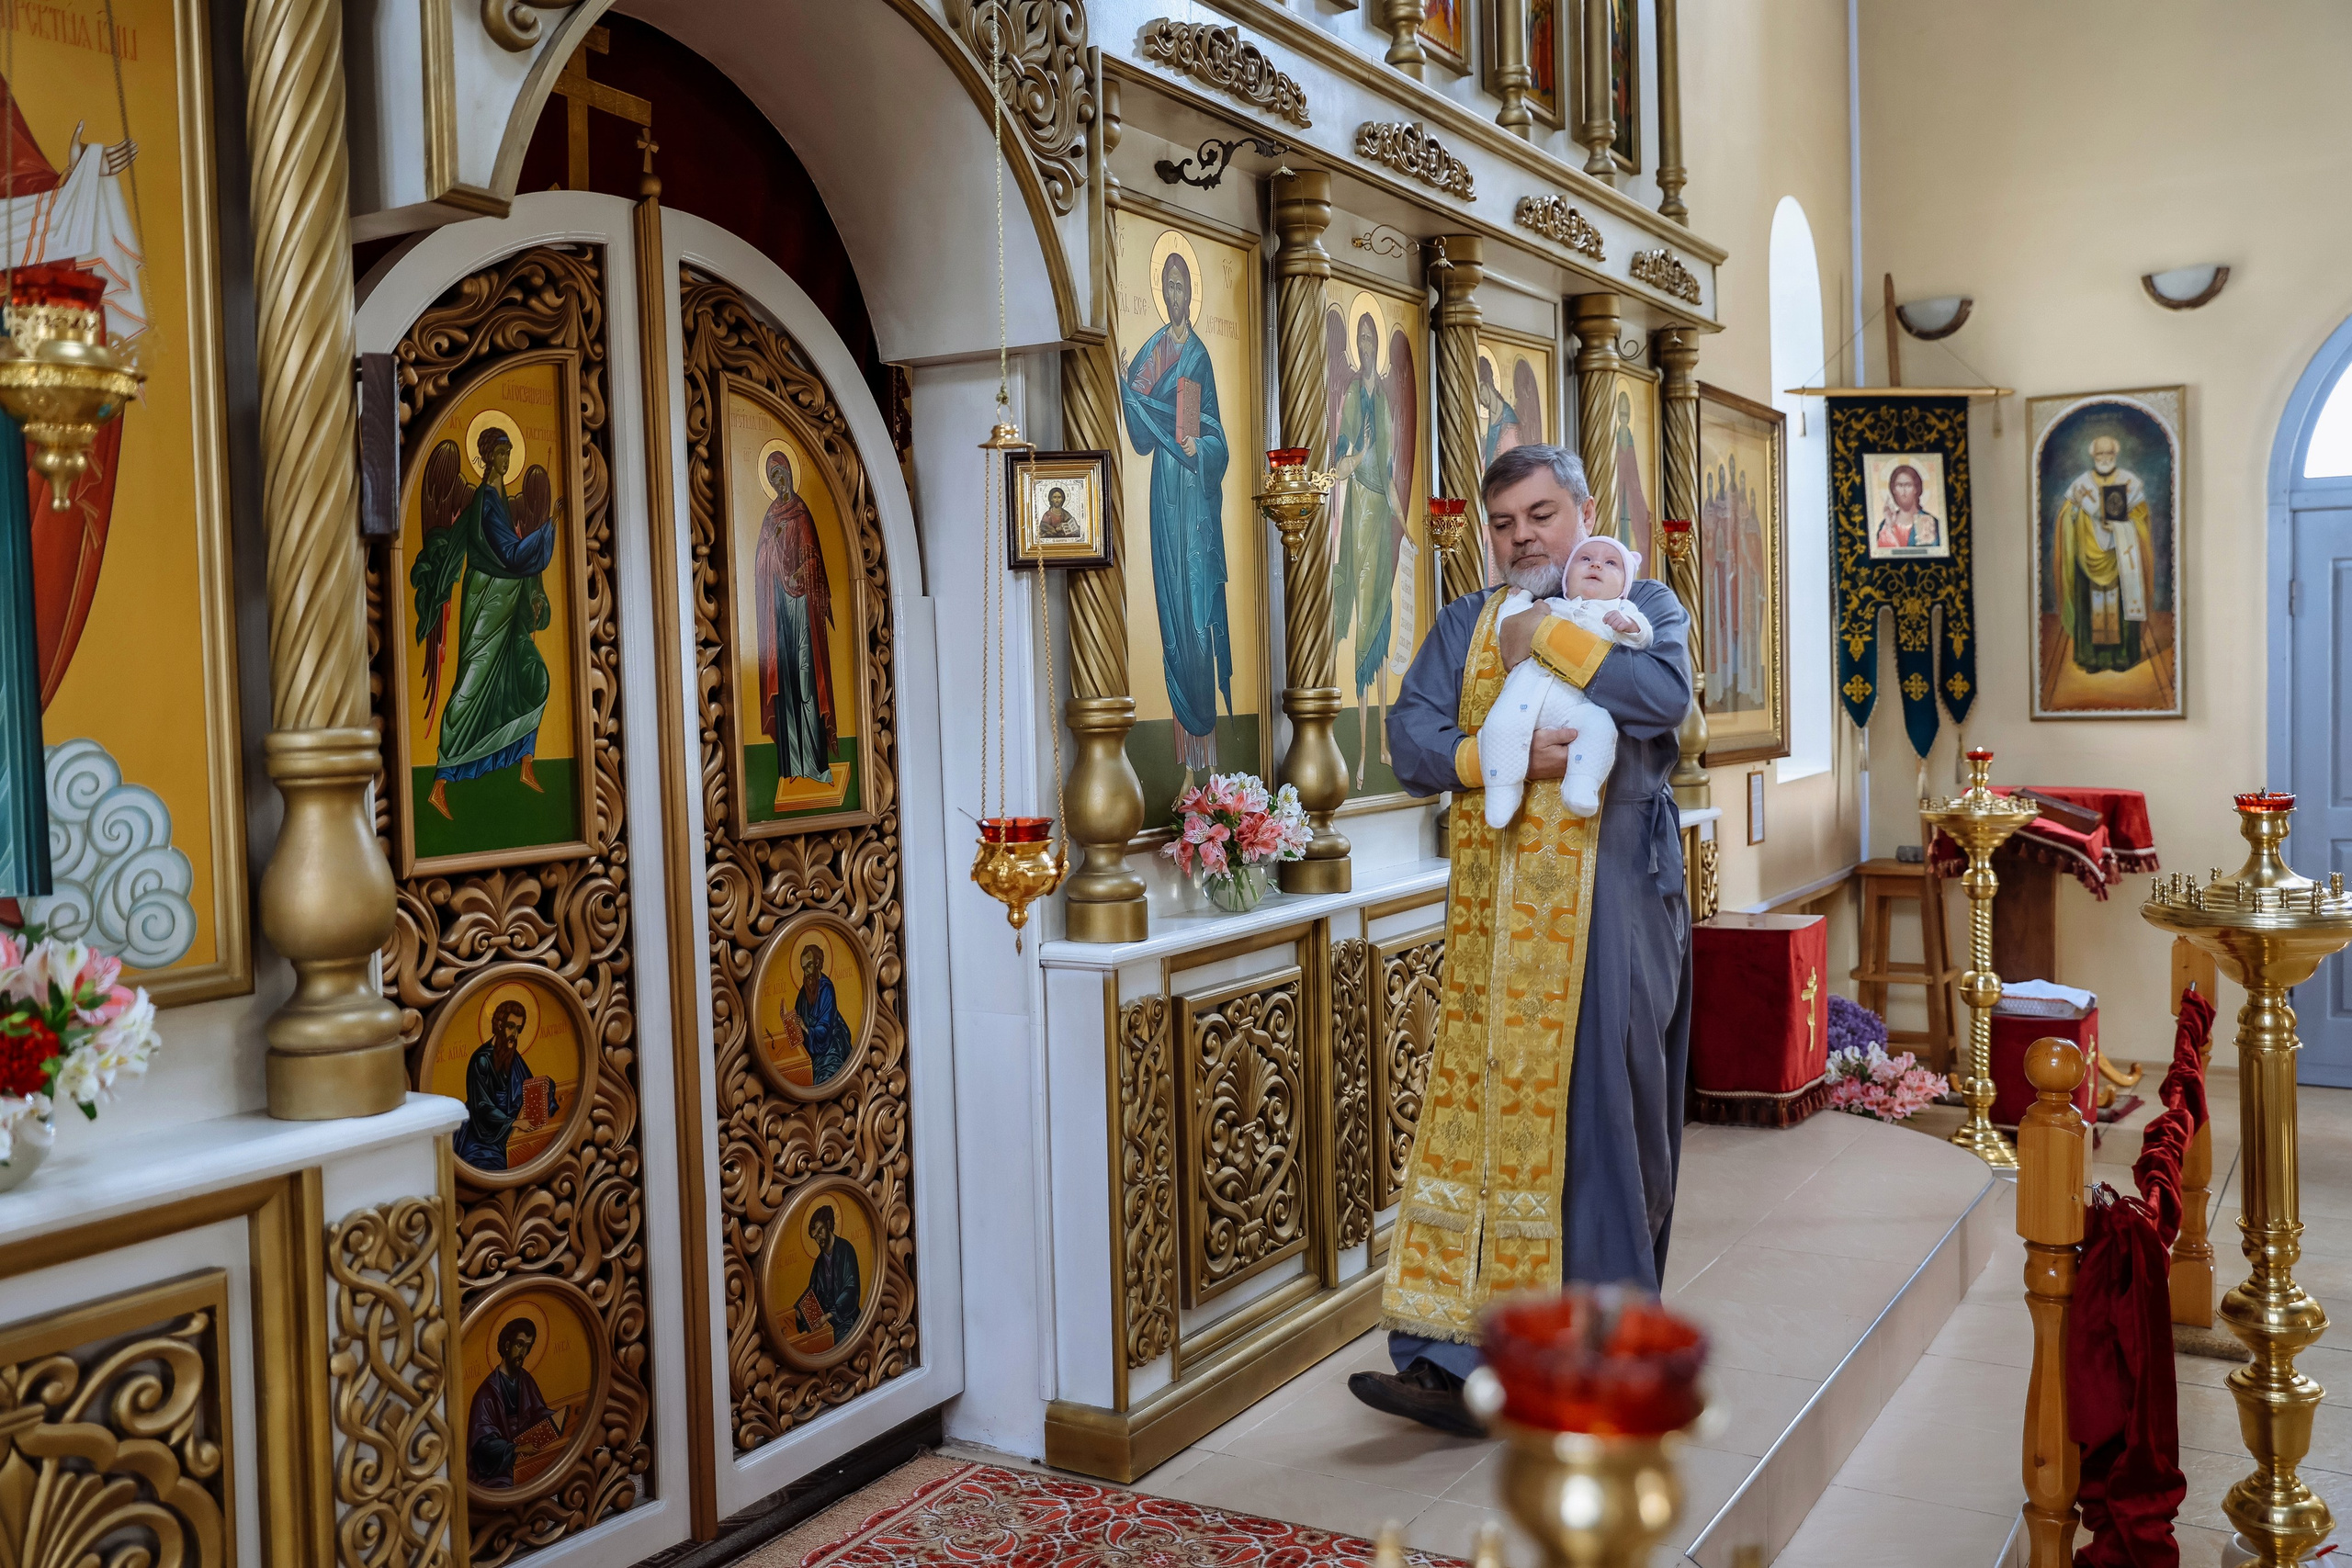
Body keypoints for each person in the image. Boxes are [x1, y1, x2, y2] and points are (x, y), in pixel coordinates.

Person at [1349, 444, 1693, 1438]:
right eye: (1502, 524)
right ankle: (1450, 1361)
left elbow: (1661, 698)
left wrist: (1547, 635)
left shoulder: (1642, 597)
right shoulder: (1464, 622)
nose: (1522, 538)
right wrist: (1484, 756)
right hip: (1492, 919)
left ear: (1583, 509)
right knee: (1480, 1130)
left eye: (1540, 515)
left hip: (1615, 902)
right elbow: (1408, 741)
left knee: (1601, 1133)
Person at [1119, 247, 1233, 778]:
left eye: (1180, 285)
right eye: (1166, 286)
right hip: (1164, 494)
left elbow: (1217, 440)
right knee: (1170, 607)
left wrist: (1197, 450)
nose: (1173, 294)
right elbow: (1142, 435)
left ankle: (1201, 753)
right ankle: (1180, 755)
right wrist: (1126, 389)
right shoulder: (1154, 352)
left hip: (1194, 498)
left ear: (1191, 293)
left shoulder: (1200, 358)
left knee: (1194, 611)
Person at [413, 427, 558, 820]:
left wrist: (532, 595)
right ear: (487, 456)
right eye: (501, 453)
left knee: (532, 676)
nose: (507, 460)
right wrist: (548, 529)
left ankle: (525, 763)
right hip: (486, 603)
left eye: (510, 453)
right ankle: (441, 782)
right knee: (471, 686)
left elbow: (513, 556)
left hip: (508, 608)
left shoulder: (502, 500)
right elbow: (509, 553)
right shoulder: (485, 501)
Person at [1475, 534, 1653, 825]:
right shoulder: (1552, 605)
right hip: (1526, 689)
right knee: (1498, 727)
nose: (1596, 565)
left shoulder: (1619, 611)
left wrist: (1630, 627)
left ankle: (1582, 784)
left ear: (1624, 587)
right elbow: (1507, 624)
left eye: (1611, 563)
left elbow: (1642, 635)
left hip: (1574, 704)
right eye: (1585, 559)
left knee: (1598, 725)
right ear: (1566, 578)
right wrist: (1520, 600)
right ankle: (1502, 791)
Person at [1331, 310, 1404, 786]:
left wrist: (1407, 527)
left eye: (1370, 338)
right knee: (1362, 630)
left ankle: (1382, 742)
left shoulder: (1387, 405)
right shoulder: (1353, 399)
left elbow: (1394, 479)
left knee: (1381, 623)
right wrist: (1356, 452)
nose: (1365, 346)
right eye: (1359, 340)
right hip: (1358, 513)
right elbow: (1338, 467)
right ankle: (1359, 751)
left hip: (1382, 515)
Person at [753, 449, 838, 801]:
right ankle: (791, 768)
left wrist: (805, 569)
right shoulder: (769, 519)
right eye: (772, 478)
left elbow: (814, 558)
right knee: (787, 684)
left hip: (802, 603)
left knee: (806, 679)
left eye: (781, 475)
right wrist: (770, 547)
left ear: (789, 474)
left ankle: (816, 765)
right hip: (779, 610)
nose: (778, 482)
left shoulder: (802, 513)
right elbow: (759, 565)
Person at [2053, 434, 2155, 674]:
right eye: (2100, 454)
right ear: (2093, 455)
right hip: (2087, 557)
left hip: (2121, 556)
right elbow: (2067, 520)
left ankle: (2121, 658)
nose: (2105, 458)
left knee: (2119, 607)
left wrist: (2124, 527)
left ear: (2116, 454)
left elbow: (2142, 521)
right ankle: (2092, 659)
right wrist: (2077, 506)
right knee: (2090, 607)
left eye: (2109, 453)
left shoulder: (2130, 483)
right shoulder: (2080, 485)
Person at [453, 997, 555, 1172]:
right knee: (493, 1167)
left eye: (519, 1029)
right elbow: (482, 1106)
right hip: (483, 1139)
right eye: (510, 1027)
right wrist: (513, 1122)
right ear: (499, 1025)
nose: (514, 1035)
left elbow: (528, 1088)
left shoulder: (513, 1057)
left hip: (512, 1134)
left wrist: (546, 1086)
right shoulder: (481, 1060)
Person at [468, 1316, 563, 1488]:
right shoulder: (487, 1392)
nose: (523, 1353)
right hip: (498, 1469)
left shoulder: (525, 1379)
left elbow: (538, 1413)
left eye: (528, 1347)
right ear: (507, 1345)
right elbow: (482, 1444)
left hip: (527, 1456)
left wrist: (560, 1418)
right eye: (519, 1345)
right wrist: (516, 1449)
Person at [794, 1204, 863, 1345]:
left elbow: (851, 1289)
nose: (819, 1240)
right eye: (815, 1237)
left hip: (846, 1320)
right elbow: (813, 1290)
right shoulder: (820, 1261)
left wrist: (828, 1316)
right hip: (825, 1322)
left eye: (820, 1232)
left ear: (829, 1224)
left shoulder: (846, 1250)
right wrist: (801, 1310)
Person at [794, 942, 854, 1085]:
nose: (807, 972)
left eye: (809, 966)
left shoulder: (826, 988)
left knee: (823, 1079)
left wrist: (806, 1028)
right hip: (811, 1045)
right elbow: (798, 1013)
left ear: (817, 963)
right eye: (804, 968)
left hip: (830, 1046)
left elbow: (825, 1027)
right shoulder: (805, 991)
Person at [1874, 462, 1942, 552]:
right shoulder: (1886, 525)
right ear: (1893, 490)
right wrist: (1888, 527)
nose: (1903, 491)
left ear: (1916, 489)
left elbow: (1933, 554)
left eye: (1908, 485)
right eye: (1899, 485)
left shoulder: (1928, 521)